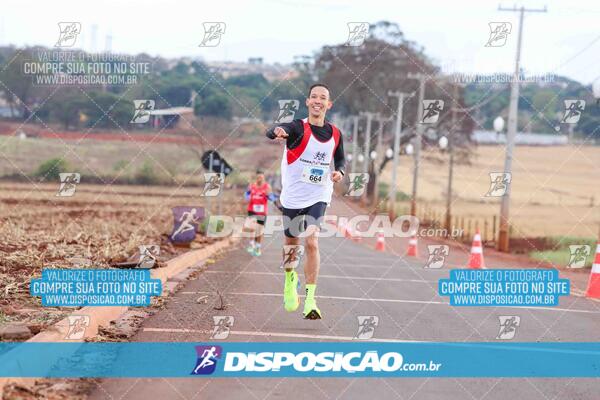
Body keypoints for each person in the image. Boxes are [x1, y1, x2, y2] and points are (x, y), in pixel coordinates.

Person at [266, 83, 345, 320]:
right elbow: (272, 130)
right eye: (314, 97)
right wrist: (277, 132)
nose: (318, 101)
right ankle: (290, 279)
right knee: (292, 243)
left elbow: (341, 160)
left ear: (328, 104)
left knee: (312, 241)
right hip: (293, 195)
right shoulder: (297, 127)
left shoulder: (336, 134)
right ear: (308, 102)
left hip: (319, 193)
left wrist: (339, 173)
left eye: (323, 97)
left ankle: (311, 299)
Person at [244, 169, 276, 256]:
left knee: (259, 230)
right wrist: (247, 196)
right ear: (256, 178)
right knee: (252, 228)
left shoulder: (267, 187)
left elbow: (272, 199)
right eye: (258, 178)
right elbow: (246, 197)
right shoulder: (252, 186)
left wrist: (268, 195)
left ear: (264, 178)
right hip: (252, 210)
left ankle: (258, 247)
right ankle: (251, 244)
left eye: (261, 178)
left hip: (262, 212)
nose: (260, 179)